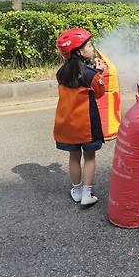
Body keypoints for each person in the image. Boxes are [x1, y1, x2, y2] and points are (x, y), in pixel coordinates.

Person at [54, 28, 107, 206]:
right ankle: (87, 193)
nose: (92, 48)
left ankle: (76, 191)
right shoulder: (90, 74)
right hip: (86, 125)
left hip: (67, 125)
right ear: (79, 51)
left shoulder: (61, 73)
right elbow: (100, 93)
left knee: (74, 156)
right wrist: (100, 73)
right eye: (89, 45)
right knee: (89, 157)